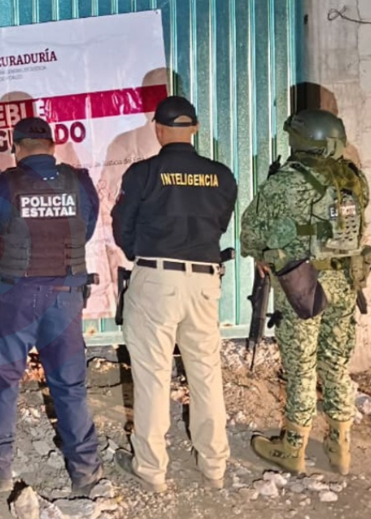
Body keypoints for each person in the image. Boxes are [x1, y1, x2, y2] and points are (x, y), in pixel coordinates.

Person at [0, 117, 103, 496]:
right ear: (53, 146)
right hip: (65, 295)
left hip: (16, 296)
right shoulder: (79, 182)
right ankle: (85, 472)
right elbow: (87, 229)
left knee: (1, 382)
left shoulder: (3, 184)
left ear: (17, 148)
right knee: (70, 385)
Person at [110, 96, 238, 492]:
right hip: (204, 280)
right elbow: (220, 223)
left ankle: (152, 469)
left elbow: (123, 227)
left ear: (159, 129)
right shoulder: (221, 175)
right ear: (195, 128)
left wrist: (143, 253)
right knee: (206, 372)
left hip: (156, 278)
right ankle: (214, 465)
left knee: (152, 375)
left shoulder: (143, 173)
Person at [240, 109, 370, 476]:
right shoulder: (354, 178)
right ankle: (340, 446)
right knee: (336, 361)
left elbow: (251, 231)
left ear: (300, 140)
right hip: (345, 282)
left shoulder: (285, 181)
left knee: (301, 366)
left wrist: (262, 253)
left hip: (303, 284)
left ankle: (293, 447)